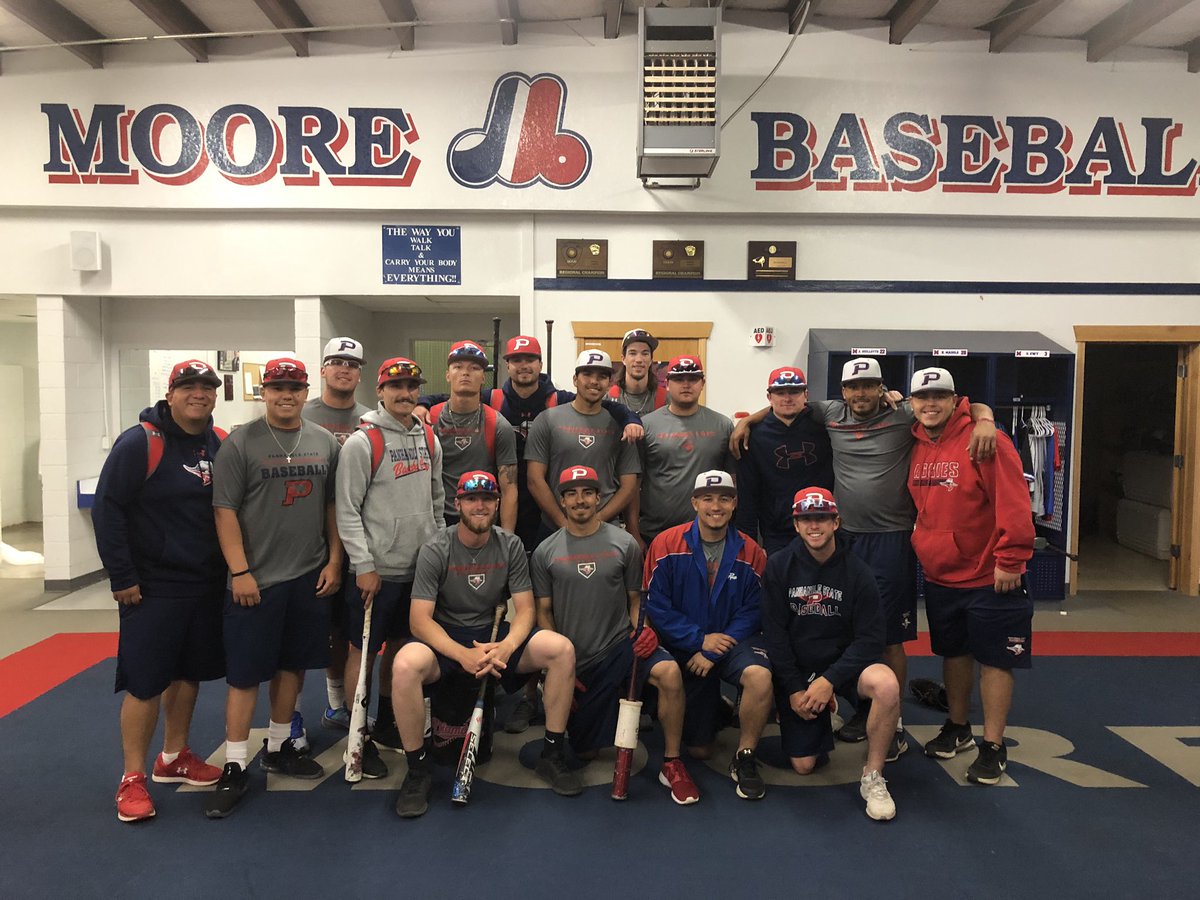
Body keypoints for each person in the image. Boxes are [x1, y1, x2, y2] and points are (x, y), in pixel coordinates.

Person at [732, 356, 997, 754]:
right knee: (845, 626)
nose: (860, 393)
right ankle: (862, 707)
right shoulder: (830, 412)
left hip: (890, 538)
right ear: (842, 391)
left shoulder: (904, 412)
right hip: (846, 537)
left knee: (890, 635)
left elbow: (959, 405)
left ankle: (895, 723)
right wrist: (744, 422)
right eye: (853, 387)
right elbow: (784, 404)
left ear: (882, 388)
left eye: (869, 385)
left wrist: (986, 418)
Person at [390, 471, 581, 818]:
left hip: (495, 637)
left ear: (496, 504)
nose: (480, 506)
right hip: (447, 639)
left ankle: (551, 755)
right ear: (458, 503)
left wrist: (506, 647)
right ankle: (417, 771)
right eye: (471, 499)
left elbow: (525, 611)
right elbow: (419, 620)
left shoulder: (509, 545)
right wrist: (462, 654)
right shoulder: (437, 548)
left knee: (561, 650)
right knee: (404, 665)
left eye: (488, 499)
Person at [205, 358, 344, 818]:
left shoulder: (324, 441)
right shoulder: (240, 444)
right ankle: (234, 765)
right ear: (263, 392)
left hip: (308, 575)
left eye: (295, 387)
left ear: (307, 392)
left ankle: (281, 746)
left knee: (293, 667)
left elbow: (331, 508)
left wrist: (334, 559)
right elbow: (224, 511)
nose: (287, 395)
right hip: (255, 581)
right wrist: (240, 571)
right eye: (278, 387)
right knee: (245, 676)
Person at [94, 359, 227, 822]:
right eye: (188, 387)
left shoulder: (218, 442)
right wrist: (122, 576)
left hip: (205, 583)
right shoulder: (141, 443)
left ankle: (174, 757)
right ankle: (132, 777)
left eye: (207, 387)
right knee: (146, 682)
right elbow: (108, 510)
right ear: (170, 394)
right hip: (152, 587)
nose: (199, 394)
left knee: (189, 673)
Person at [531, 466, 699, 804]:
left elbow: (636, 601)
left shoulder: (625, 544)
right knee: (586, 752)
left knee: (669, 672)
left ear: (599, 497)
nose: (580, 500)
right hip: (578, 660)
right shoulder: (545, 552)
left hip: (621, 646)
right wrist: (557, 665)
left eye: (587, 492)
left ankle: (672, 762)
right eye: (572, 494)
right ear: (561, 501)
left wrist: (646, 631)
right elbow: (543, 613)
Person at [908, 367, 1034, 785]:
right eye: (922, 397)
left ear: (955, 400)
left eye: (939, 397)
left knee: (995, 660)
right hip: (942, 574)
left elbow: (1014, 502)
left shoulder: (987, 439)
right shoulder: (917, 442)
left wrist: (1011, 558)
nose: (930, 404)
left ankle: (993, 746)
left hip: (988, 574)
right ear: (911, 402)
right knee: (953, 654)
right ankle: (958, 726)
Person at [760, 487, 899, 821]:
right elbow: (774, 636)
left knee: (887, 684)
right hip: (800, 670)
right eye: (806, 519)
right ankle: (824, 712)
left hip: (842, 667)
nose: (814, 525)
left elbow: (871, 639)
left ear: (836, 522)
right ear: (795, 525)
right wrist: (794, 688)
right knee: (804, 766)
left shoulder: (858, 571)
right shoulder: (779, 566)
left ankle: (874, 776)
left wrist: (829, 681)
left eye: (821, 517)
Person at [335, 357, 444, 778]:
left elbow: (437, 503)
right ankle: (357, 733)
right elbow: (346, 511)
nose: (405, 393)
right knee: (362, 655)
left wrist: (436, 553)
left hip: (417, 572)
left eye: (412, 386)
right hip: (374, 573)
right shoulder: (363, 443)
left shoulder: (427, 438)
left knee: (400, 650)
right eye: (396, 386)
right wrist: (363, 564)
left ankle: (386, 722)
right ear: (380, 391)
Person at [643, 471, 773, 800]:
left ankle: (745, 757)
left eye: (724, 498)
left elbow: (754, 610)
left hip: (731, 642)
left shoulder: (752, 551)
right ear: (695, 502)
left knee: (760, 676)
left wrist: (714, 648)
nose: (716, 506)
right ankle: (715, 706)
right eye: (708, 498)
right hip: (686, 645)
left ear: (735, 503)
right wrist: (698, 640)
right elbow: (656, 606)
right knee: (700, 750)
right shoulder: (666, 544)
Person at [302, 337, 372, 739]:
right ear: (323, 369)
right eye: (336, 362)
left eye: (352, 363)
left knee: (354, 630)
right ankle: (333, 703)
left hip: (359, 541)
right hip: (312, 540)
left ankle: (355, 704)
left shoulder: (370, 418)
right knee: (328, 632)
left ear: (360, 372)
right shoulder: (304, 414)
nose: (344, 369)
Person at [525, 350, 641, 539]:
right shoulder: (547, 419)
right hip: (554, 528)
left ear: (609, 383)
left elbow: (629, 486)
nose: (594, 381)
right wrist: (563, 523)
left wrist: (596, 522)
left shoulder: (620, 425)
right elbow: (534, 480)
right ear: (575, 379)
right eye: (587, 374)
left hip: (605, 528)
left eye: (602, 376)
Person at [629, 355, 734, 550]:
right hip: (654, 533)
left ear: (702, 383)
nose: (686, 385)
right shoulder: (646, 425)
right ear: (667, 384)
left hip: (709, 534)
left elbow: (732, 483)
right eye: (679, 379)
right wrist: (634, 532)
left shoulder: (722, 426)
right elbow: (634, 484)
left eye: (693, 379)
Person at [735, 367, 833, 555]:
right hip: (775, 535)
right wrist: (747, 544)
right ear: (769, 397)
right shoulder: (753, 437)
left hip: (821, 528)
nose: (787, 398)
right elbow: (748, 495)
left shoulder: (826, 428)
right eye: (780, 392)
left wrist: (885, 393)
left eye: (794, 392)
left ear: (806, 394)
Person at [427, 340, 518, 531]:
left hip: (482, 519)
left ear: (483, 377)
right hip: (438, 520)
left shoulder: (498, 424)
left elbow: (509, 489)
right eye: (458, 367)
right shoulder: (429, 420)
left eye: (474, 368)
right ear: (447, 375)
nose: (465, 372)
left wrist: (507, 539)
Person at [609, 328, 667, 415]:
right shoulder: (609, 399)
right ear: (623, 359)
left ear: (651, 360)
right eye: (633, 353)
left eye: (645, 353)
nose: (639, 359)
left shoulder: (666, 399)